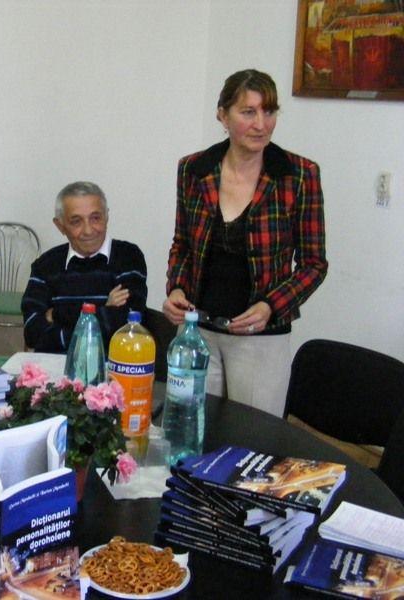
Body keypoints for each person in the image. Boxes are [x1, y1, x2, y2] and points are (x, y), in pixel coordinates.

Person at [162, 69, 328, 418]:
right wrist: (176, 287)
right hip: (197, 331)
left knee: (252, 440)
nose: (261, 124)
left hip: (261, 339)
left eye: (269, 111)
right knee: (191, 431)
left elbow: (314, 265)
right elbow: (182, 243)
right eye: (248, 112)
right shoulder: (194, 169)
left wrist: (271, 305)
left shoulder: (298, 175)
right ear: (223, 116)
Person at [21, 181, 147, 353]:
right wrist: (103, 310)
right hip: (55, 366)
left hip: (110, 365)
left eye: (96, 218)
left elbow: (125, 326)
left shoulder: (128, 257)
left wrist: (56, 314)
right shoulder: (45, 265)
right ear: (60, 226)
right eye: (76, 222)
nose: (88, 230)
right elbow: (32, 333)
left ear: (107, 217)